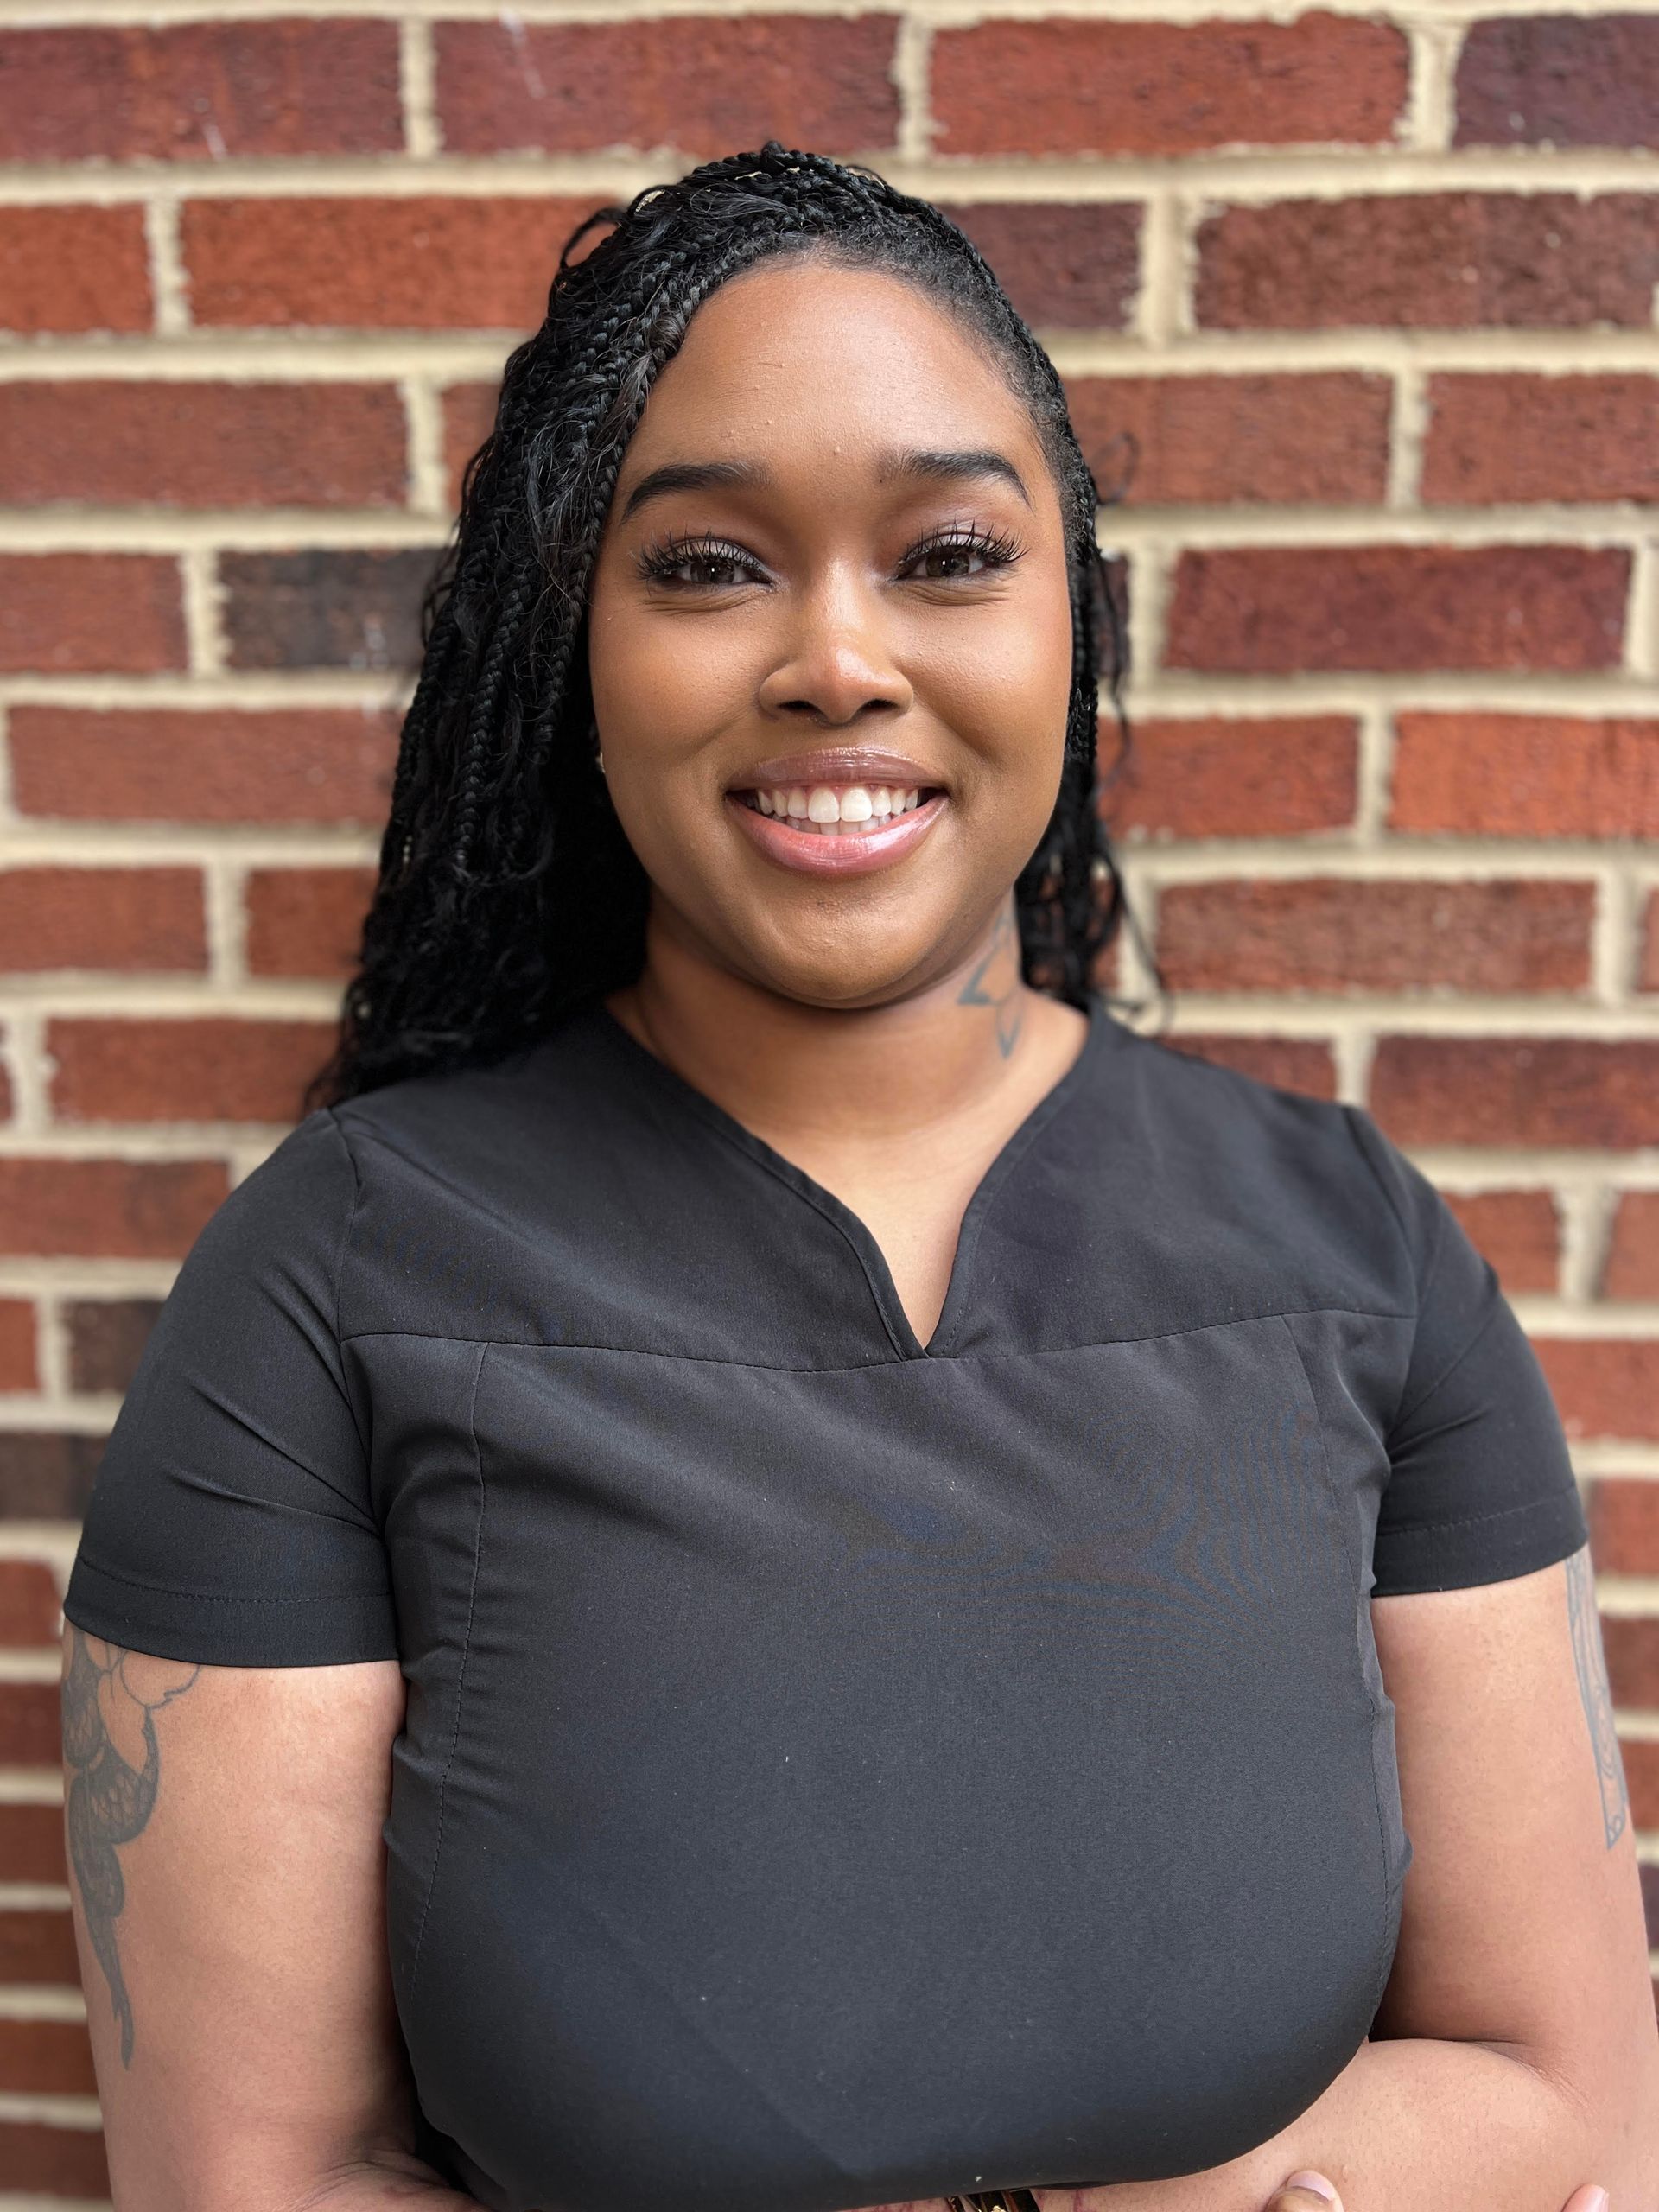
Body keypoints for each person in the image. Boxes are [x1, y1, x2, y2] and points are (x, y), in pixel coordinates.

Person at [57, 143, 1653, 2212]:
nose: (836, 655)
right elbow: (252, 2179)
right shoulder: (335, 1280)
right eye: (711, 564)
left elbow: (1573, 2097)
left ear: (1069, 618)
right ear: (577, 656)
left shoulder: (1351, 1246)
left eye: (949, 552)